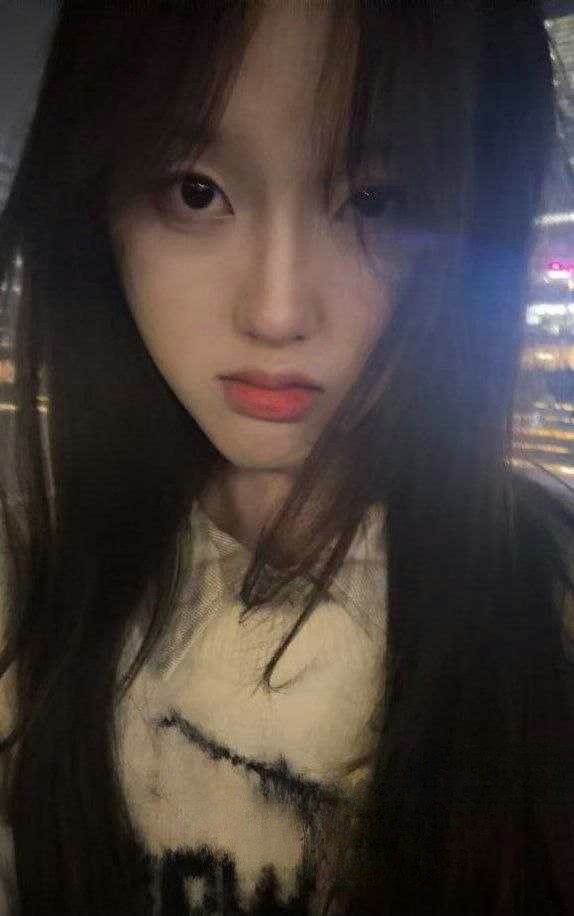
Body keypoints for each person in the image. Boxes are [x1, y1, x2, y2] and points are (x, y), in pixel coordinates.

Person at [0, 0, 573, 913]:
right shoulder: (27, 580)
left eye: (377, 201)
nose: (275, 313)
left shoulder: (547, 591)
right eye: (194, 191)